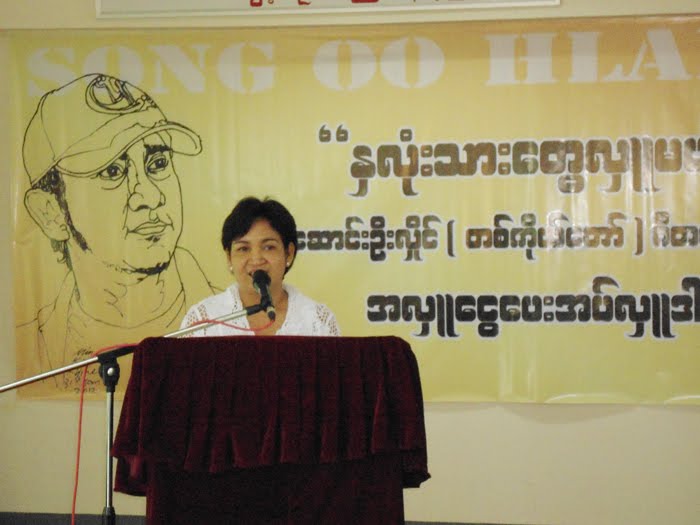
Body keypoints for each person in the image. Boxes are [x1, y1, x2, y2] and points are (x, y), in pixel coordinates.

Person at [16, 73, 215, 395]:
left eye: (158, 163)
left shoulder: (233, 324)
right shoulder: (33, 342)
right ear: (51, 212)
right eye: (112, 171)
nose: (149, 196)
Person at [180, 197, 340, 336]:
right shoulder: (203, 321)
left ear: (289, 253)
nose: (256, 260)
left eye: (268, 247)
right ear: (229, 257)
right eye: (244, 249)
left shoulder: (319, 321)